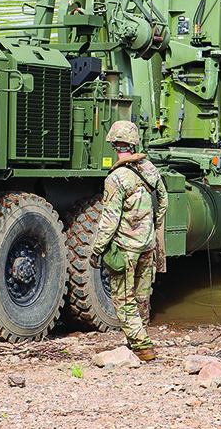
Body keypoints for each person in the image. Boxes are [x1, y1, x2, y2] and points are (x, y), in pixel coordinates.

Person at [90, 120, 168, 361]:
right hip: (148, 246)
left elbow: (110, 220)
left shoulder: (116, 178)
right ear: (134, 143)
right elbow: (163, 200)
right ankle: (136, 338)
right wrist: (151, 226)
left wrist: (97, 249)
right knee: (142, 298)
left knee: (123, 301)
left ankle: (143, 346)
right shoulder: (150, 169)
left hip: (126, 249)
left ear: (114, 144)